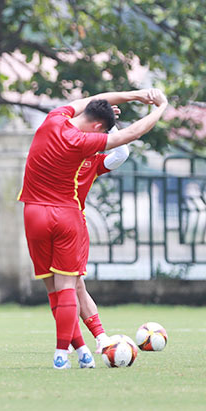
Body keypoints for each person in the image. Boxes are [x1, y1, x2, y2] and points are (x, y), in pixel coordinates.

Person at [18, 88, 168, 369]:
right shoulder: (82, 144)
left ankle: (85, 350)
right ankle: (63, 354)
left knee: (55, 289)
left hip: (33, 212)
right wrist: (159, 108)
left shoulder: (53, 119)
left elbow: (91, 103)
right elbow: (128, 137)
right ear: (98, 128)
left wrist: (136, 95)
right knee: (68, 288)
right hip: (66, 215)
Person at [72, 134, 130, 354]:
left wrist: (111, 123)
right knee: (59, 287)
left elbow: (122, 153)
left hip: (73, 224)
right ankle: (72, 337)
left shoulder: (93, 161)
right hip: (48, 221)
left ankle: (99, 336)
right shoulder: (60, 155)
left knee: (74, 285)